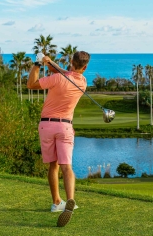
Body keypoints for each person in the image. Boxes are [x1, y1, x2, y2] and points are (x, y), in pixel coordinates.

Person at [27, 50, 90, 227]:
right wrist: (50, 62)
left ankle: (56, 203)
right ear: (85, 67)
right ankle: (70, 200)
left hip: (46, 126)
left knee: (53, 166)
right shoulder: (82, 82)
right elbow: (67, 74)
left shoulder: (57, 79)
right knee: (66, 167)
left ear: (71, 61)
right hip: (65, 127)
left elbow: (31, 84)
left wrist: (39, 63)